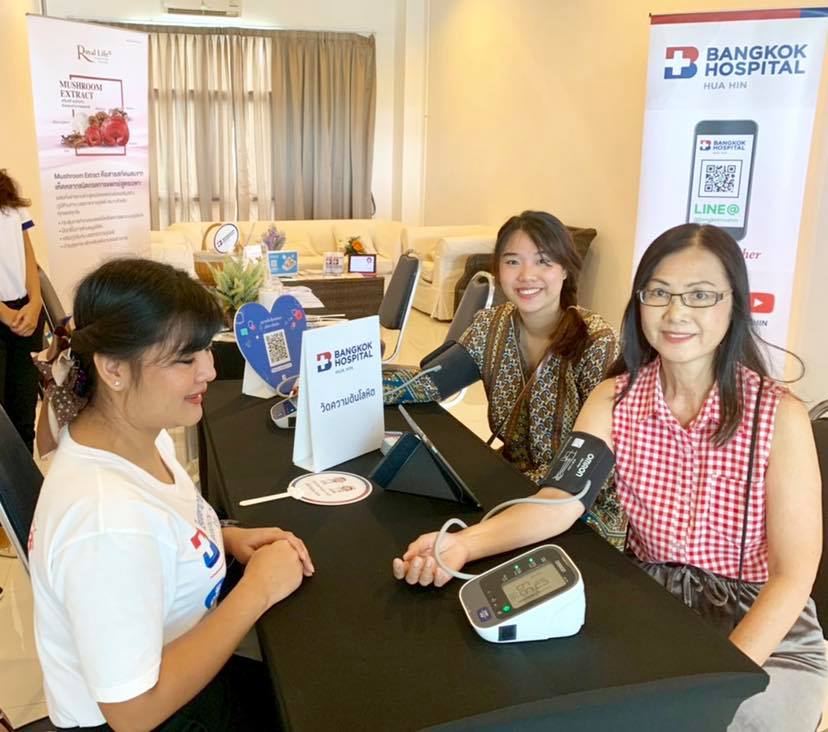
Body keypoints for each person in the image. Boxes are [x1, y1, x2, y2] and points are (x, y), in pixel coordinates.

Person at [393, 223, 826, 730]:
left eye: (701, 295)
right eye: (659, 293)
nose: (676, 313)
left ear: (735, 303)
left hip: (764, 628)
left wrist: (723, 679)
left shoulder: (778, 415)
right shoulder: (614, 398)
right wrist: (464, 544)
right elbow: (559, 501)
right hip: (649, 603)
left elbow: (793, 575)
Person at [29, 258, 315, 731]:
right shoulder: (106, 522)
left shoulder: (136, 433)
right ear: (114, 369)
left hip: (183, 666)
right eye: (185, 359)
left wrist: (223, 539)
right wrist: (258, 589)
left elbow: (161, 528)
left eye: (205, 349)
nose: (209, 369)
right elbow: (132, 713)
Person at [384, 210, 623, 545]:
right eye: (512, 261)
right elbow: (427, 383)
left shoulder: (596, 341)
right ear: (498, 269)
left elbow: (599, 463)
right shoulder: (491, 325)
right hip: (512, 479)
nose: (526, 275)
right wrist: (349, 386)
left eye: (543, 261)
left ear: (565, 269)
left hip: (580, 501)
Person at [0, 169, 44, 454]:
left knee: (24, 414)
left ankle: (25, 480)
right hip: (4, 314)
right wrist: (4, 313)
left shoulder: (6, 187)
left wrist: (36, 300)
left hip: (25, 312)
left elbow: (27, 251)